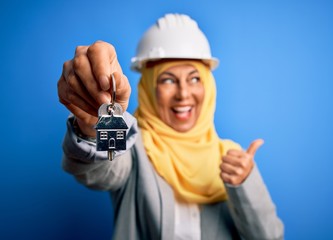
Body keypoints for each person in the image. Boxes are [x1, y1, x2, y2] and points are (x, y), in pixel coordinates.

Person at [58, 13, 284, 240]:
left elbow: (270, 237)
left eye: (195, 79)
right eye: (167, 80)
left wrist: (245, 183)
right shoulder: (134, 146)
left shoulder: (232, 159)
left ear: (208, 85)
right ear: (147, 88)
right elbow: (101, 174)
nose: (184, 94)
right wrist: (96, 122)